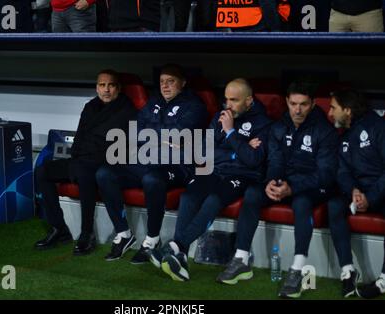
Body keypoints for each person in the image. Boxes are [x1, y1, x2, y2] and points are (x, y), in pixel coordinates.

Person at [217, 82, 339, 299]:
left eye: (303, 104)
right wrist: (272, 182)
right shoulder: (279, 126)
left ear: (311, 104)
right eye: (293, 104)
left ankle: (297, 269)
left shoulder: (325, 131)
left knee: (302, 203)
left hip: (312, 185)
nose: (297, 110)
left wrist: (292, 188)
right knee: (253, 193)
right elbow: (275, 160)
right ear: (287, 102)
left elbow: (326, 174)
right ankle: (241, 259)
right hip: (285, 182)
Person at [149, 78, 272, 281]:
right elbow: (206, 151)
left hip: (242, 176)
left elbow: (252, 160)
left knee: (214, 200)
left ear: (249, 100)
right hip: (214, 170)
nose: (228, 105)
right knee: (188, 197)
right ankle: (181, 259)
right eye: (226, 99)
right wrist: (237, 151)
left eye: (234, 100)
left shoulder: (263, 124)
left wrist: (231, 133)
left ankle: (176, 246)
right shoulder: (220, 117)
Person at [95, 64, 208, 264]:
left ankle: (152, 239)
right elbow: (135, 131)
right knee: (105, 173)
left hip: (179, 165)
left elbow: (179, 136)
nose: (165, 86)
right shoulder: (154, 102)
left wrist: (153, 134)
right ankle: (123, 233)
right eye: (162, 82)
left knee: (152, 179)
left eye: (171, 81)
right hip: (147, 159)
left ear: (182, 83)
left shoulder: (194, 105)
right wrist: (161, 136)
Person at [34, 70, 137, 256]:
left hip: (106, 163)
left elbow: (110, 144)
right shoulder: (90, 106)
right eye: (102, 85)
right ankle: (59, 228)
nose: (106, 90)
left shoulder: (126, 110)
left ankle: (87, 233)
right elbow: (80, 136)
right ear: (97, 87)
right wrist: (76, 158)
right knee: (43, 171)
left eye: (111, 85)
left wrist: (82, 158)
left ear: (118, 88)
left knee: (85, 172)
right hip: (80, 160)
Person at [327, 88, 385, 299]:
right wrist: (353, 191)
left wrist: (371, 197)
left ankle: (384, 280)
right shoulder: (344, 134)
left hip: (380, 191)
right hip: (359, 194)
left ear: (348, 110)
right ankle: (348, 271)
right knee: (334, 205)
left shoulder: (378, 127)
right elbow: (342, 170)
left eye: (334, 108)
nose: (330, 113)